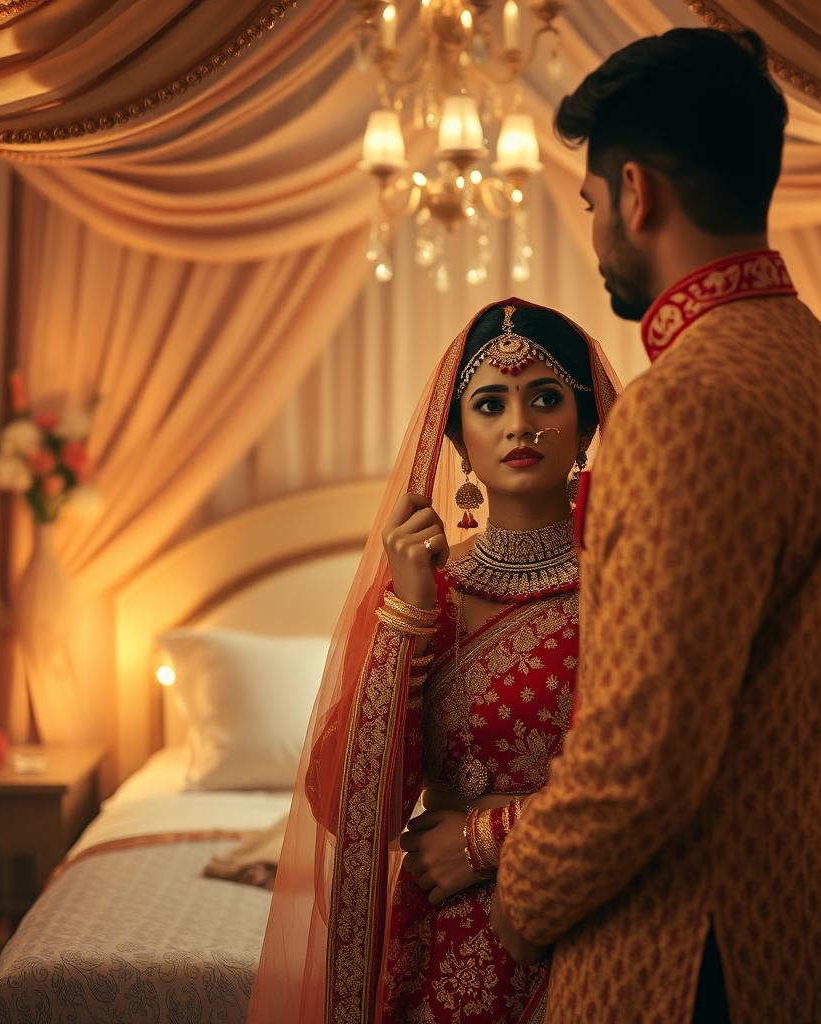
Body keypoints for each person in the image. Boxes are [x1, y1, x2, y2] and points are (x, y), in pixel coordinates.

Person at [489, 28, 821, 1024]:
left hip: (697, 964)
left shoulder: (683, 404)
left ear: (635, 193)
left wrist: (515, 895)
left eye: (587, 204)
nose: (593, 236)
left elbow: (640, 757)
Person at [246, 298, 619, 1024]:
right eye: (490, 403)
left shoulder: (627, 590)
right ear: (458, 439)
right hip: (439, 932)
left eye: (546, 397)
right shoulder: (427, 596)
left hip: (590, 921)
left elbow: (655, 773)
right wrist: (409, 612)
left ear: (585, 428)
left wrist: (485, 841)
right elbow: (354, 810)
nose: (520, 423)